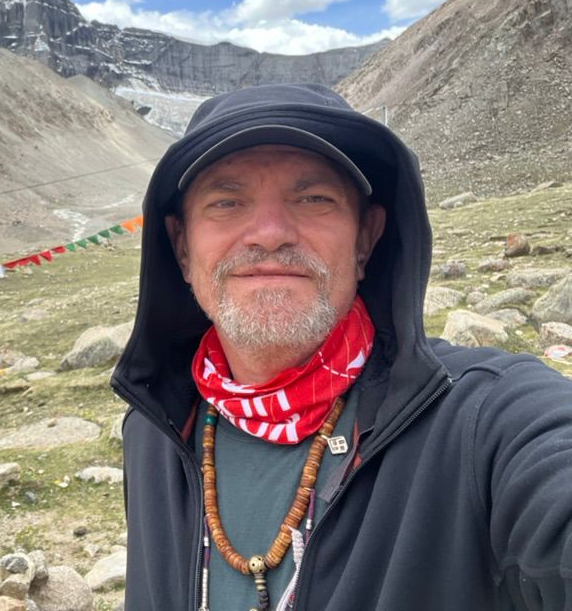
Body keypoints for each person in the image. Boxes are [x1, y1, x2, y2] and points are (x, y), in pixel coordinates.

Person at [111, 83, 572, 611]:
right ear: (181, 248)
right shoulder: (154, 434)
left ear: (365, 239)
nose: (269, 234)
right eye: (226, 202)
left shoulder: (482, 422)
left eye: (314, 199)